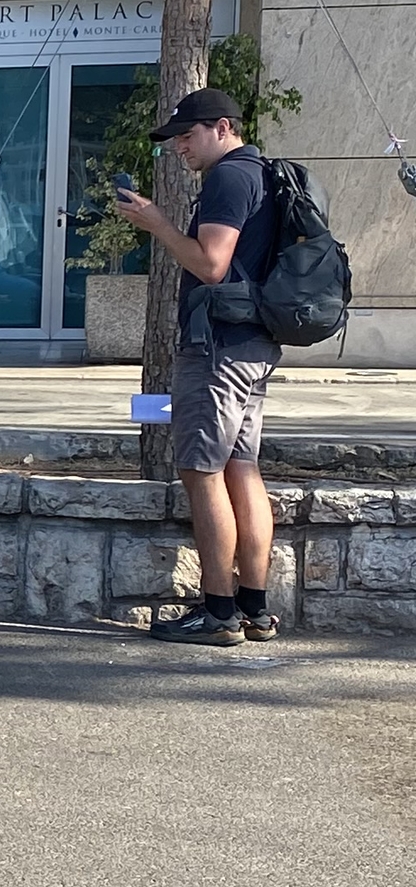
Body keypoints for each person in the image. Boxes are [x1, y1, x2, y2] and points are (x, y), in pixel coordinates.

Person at [113, 84, 283, 646]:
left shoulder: (230, 177)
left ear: (223, 128)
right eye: (176, 138)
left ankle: (217, 614)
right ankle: (254, 609)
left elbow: (211, 264)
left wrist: (159, 224)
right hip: (253, 342)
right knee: (241, 468)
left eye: (188, 135)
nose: (180, 147)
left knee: (201, 469)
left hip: (217, 347)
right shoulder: (264, 173)